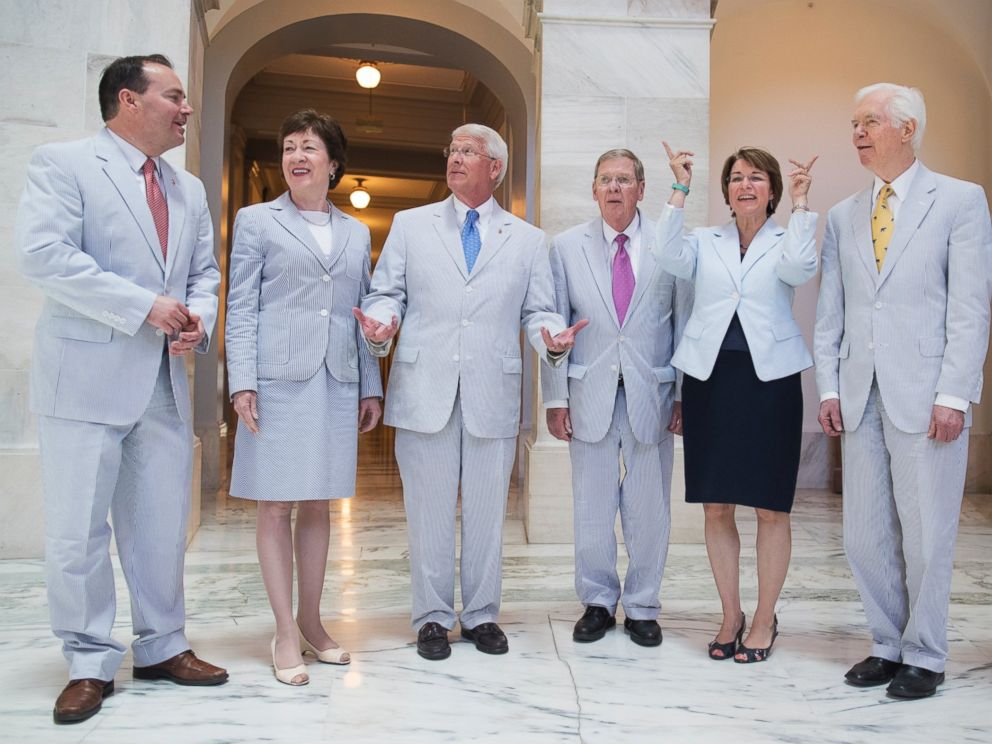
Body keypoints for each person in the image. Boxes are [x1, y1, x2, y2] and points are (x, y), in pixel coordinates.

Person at [15, 54, 226, 725]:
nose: (186, 109)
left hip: (163, 379)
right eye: (174, 96)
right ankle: (87, 660)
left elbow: (205, 275)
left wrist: (198, 320)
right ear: (128, 101)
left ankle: (163, 646)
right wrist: (145, 306)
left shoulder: (188, 189)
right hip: (84, 378)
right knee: (78, 531)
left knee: (161, 527)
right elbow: (44, 255)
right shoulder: (65, 163)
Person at [354, 123, 586, 660]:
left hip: (491, 392)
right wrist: (382, 324)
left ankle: (482, 615)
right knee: (428, 514)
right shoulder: (410, 226)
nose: (455, 158)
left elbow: (540, 311)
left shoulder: (528, 240)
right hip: (423, 389)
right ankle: (432, 618)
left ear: (495, 168)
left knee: (486, 514)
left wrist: (551, 339)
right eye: (452, 149)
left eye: (468, 152)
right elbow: (387, 293)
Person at [814, 83, 991, 699]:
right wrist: (829, 386)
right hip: (859, 394)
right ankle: (887, 643)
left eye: (870, 121)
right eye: (853, 122)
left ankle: (926, 652)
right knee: (863, 533)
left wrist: (956, 394)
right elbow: (830, 314)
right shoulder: (842, 215)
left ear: (908, 128)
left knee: (926, 532)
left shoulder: (961, 202)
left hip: (928, 395)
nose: (857, 132)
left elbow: (970, 308)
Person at [226, 109, 383, 686]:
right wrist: (241, 380)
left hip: (337, 379)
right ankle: (283, 631)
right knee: (276, 503)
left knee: (320, 503)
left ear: (333, 163)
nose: (297, 155)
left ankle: (313, 622)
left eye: (309, 146)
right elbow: (240, 306)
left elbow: (363, 312)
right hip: (276, 379)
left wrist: (371, 385)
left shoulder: (356, 232)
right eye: (290, 145)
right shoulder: (256, 221)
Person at [656, 142, 818, 663]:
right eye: (736, 177)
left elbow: (800, 267)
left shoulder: (785, 234)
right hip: (711, 380)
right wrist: (679, 188)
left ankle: (765, 617)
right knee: (717, 504)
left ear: (771, 189)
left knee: (771, 508)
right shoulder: (705, 240)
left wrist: (801, 204)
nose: (745, 185)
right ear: (725, 189)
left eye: (756, 178)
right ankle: (731, 614)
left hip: (770, 382)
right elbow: (666, 254)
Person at [542, 149, 689, 647]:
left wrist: (684, 396)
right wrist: (554, 399)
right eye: (604, 179)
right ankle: (598, 601)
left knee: (650, 507)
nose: (613, 188)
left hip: (654, 392)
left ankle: (644, 604)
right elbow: (553, 327)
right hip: (589, 393)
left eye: (624, 180)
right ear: (593, 189)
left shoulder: (670, 246)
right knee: (592, 505)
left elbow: (683, 324)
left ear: (641, 190)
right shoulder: (565, 247)